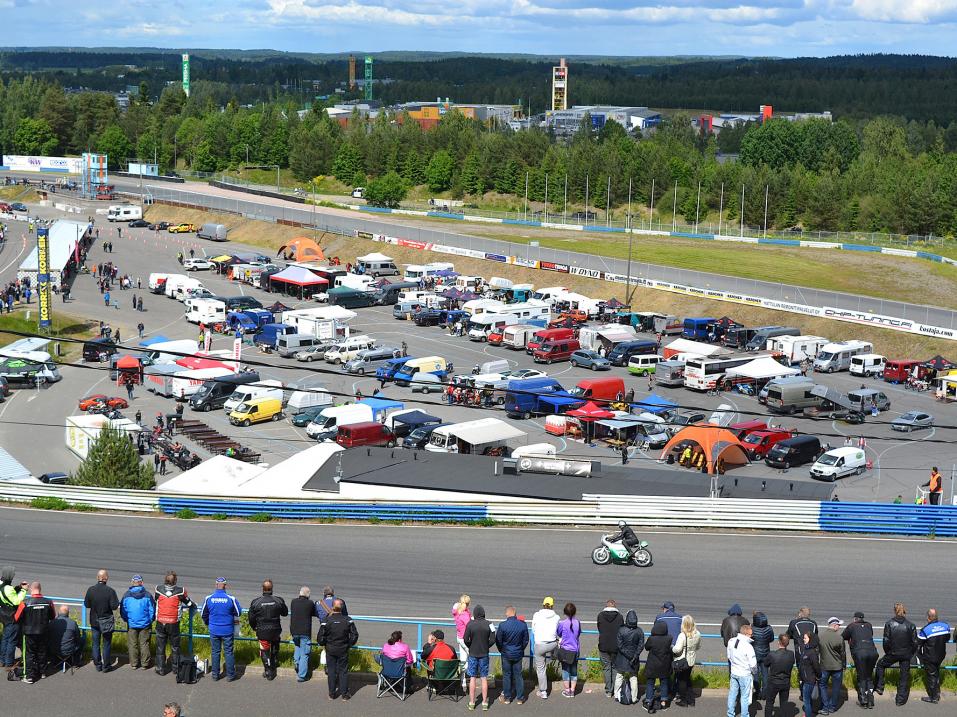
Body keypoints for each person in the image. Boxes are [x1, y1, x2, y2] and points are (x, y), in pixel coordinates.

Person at [874, 602, 917, 706]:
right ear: (904, 611)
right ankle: (900, 700)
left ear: (895, 611)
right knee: (904, 676)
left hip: (893, 653)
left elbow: (886, 641)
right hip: (906, 654)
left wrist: (888, 652)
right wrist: (910, 653)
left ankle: (879, 687)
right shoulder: (910, 625)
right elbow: (915, 642)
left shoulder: (889, 623)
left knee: (880, 664)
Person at [201, 577, 242, 682]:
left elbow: (203, 614)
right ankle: (230, 676)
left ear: (216, 585)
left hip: (214, 629)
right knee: (228, 652)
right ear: (225, 586)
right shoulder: (230, 599)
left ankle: (215, 675)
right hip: (227, 630)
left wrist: (208, 623)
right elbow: (238, 612)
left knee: (215, 652)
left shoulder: (209, 598)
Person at [154, 571, 194, 676]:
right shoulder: (181, 591)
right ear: (175, 580)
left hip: (160, 621)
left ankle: (160, 669)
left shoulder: (158, 589)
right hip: (173, 623)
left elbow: (156, 601)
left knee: (160, 647)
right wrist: (193, 606)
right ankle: (176, 669)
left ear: (165, 580)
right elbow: (189, 603)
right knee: (175, 647)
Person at [14, 582, 55, 684]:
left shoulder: (25, 602)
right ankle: (43, 672)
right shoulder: (48, 602)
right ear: (40, 589)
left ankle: (29, 676)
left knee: (29, 654)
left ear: (31, 589)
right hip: (43, 631)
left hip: (29, 632)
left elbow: (16, 618)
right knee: (42, 652)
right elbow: (53, 616)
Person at [317, 599, 358, 700]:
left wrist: (325, 644)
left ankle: (332, 693)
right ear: (342, 607)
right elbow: (354, 635)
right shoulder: (347, 619)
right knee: (343, 671)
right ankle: (344, 694)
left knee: (331, 671)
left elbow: (320, 638)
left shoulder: (326, 620)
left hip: (330, 649)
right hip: (343, 649)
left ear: (332, 607)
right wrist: (348, 644)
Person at [248, 579, 288, 680]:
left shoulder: (256, 602)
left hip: (262, 631)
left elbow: (251, 618)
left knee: (264, 650)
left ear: (263, 588)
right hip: (275, 630)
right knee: (274, 646)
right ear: (272, 589)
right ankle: (273, 665)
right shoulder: (278, 600)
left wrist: (254, 627)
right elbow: (285, 613)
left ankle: (268, 671)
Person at [84, 569, 119, 673]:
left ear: (97, 578)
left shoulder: (91, 590)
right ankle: (106, 666)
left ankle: (98, 665)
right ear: (106, 578)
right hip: (106, 621)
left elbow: (87, 604)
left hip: (94, 621)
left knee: (95, 643)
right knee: (106, 643)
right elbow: (114, 606)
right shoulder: (110, 591)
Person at [843, 611, 879, 709]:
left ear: (855, 618)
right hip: (873, 652)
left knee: (862, 676)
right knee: (869, 676)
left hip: (860, 653)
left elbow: (844, 636)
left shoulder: (852, 626)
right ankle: (871, 700)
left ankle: (863, 699)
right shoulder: (869, 625)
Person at [495, 605, 529, 705]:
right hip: (518, 653)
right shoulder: (522, 625)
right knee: (518, 675)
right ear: (515, 613)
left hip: (506, 653)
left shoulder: (502, 625)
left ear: (507, 613)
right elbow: (526, 640)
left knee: (506, 675)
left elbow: (498, 640)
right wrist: (521, 649)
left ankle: (507, 698)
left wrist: (502, 650)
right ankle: (520, 698)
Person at [120, 574, 155, 670]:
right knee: (144, 643)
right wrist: (150, 620)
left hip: (131, 623)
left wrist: (127, 619)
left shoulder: (126, 595)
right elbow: (152, 610)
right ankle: (145, 664)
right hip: (145, 624)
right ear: (142, 583)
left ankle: (134, 663)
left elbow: (123, 610)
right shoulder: (148, 595)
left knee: (132, 644)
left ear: (132, 583)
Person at [463, 604, 494, 710]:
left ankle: (472, 703)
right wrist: (487, 645)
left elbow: (465, 639)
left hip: (473, 654)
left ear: (475, 614)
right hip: (484, 654)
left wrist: (470, 646)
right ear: (484, 614)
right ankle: (485, 703)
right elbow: (493, 640)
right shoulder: (489, 624)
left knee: (472, 677)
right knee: (484, 678)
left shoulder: (470, 624)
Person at [917, 608, 950, 704]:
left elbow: (918, 643)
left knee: (931, 675)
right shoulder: (945, 626)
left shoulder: (925, 629)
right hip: (941, 655)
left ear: (928, 618)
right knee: (936, 672)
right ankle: (937, 690)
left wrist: (920, 657)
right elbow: (947, 638)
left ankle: (934, 697)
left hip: (930, 656)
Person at [532, 596, 560, 699]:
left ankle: (543, 691)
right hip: (552, 644)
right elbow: (558, 631)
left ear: (543, 604)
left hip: (540, 644)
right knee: (556, 644)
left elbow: (534, 630)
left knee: (541, 668)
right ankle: (554, 656)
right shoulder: (557, 617)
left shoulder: (536, 615)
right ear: (552, 606)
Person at [613, 609, 644, 703]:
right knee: (633, 677)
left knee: (619, 676)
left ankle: (617, 695)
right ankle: (634, 698)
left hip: (622, 658)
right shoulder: (639, 631)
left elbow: (619, 645)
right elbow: (641, 646)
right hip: (634, 659)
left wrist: (628, 655)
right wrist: (634, 656)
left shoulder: (621, 630)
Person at [0, 565, 26, 672]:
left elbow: (7, 594)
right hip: (12, 617)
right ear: (9, 575)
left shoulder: (2, 584)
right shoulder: (8, 588)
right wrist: (23, 590)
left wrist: (18, 587)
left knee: (5, 638)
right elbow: (16, 601)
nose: (14, 574)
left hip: (4, 615)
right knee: (12, 640)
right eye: (13, 573)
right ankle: (9, 664)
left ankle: (2, 660)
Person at [727, 624, 757, 717]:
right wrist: (754, 672)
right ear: (746, 634)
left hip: (734, 672)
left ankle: (730, 713)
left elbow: (729, 656)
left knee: (732, 694)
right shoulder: (748, 646)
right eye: (751, 634)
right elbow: (753, 664)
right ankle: (744, 715)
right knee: (745, 697)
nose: (752, 636)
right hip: (745, 674)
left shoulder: (731, 641)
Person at [597, 599, 624, 698]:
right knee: (615, 668)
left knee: (606, 668)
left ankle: (608, 690)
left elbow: (599, 628)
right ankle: (616, 691)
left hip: (603, 645)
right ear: (614, 606)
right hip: (616, 646)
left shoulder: (600, 615)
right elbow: (621, 630)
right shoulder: (620, 617)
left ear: (606, 605)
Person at [644, 620, 674, 711]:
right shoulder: (669, 638)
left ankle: (649, 701)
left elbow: (646, 647)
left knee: (650, 683)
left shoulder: (652, 639)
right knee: (664, 683)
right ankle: (664, 702)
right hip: (664, 665)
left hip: (652, 665)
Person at [672, 614, 701, 707]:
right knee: (687, 679)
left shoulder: (682, 635)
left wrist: (671, 648)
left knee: (682, 681)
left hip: (682, 661)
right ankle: (691, 699)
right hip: (691, 659)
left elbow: (677, 649)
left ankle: (684, 700)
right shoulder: (697, 633)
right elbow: (698, 646)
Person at [818, 617, 846, 715]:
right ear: (834, 625)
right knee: (836, 687)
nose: (839, 627)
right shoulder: (839, 637)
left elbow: (817, 651)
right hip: (837, 667)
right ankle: (832, 707)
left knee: (822, 685)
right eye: (839, 625)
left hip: (824, 666)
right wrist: (844, 665)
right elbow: (843, 653)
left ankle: (825, 707)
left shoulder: (820, 636)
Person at [289, 586, 317, 682]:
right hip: (305, 631)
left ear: (300, 593)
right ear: (308, 595)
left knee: (297, 647)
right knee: (305, 653)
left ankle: (297, 663)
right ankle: (301, 675)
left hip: (294, 630)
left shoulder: (293, 602)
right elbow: (314, 612)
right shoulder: (310, 603)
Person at [764, 634, 795, 717]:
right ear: (787, 643)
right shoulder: (791, 654)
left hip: (773, 682)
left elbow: (766, 664)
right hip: (785, 681)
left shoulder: (772, 654)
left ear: (779, 642)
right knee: (784, 703)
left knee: (769, 702)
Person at [787, 606, 818, 690]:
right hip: (812, 651)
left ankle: (804, 693)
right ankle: (810, 692)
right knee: (811, 670)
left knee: (802, 672)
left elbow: (788, 635)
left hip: (800, 651)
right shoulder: (813, 623)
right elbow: (815, 636)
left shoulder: (794, 622)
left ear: (800, 613)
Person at [556, 602, 582, 698]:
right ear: (575, 612)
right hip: (575, 650)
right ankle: (573, 690)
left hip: (565, 650)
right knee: (574, 671)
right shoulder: (577, 623)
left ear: (565, 612)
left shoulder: (562, 623)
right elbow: (578, 634)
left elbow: (559, 633)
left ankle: (567, 690)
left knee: (565, 670)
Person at [797, 632, 821, 717]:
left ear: (811, 640)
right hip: (806, 679)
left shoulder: (812, 652)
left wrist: (818, 676)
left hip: (809, 680)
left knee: (806, 700)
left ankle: (808, 715)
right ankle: (808, 713)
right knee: (808, 699)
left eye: (805, 638)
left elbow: (816, 667)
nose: (804, 639)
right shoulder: (806, 650)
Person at [751, 611, 774, 699]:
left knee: (755, 674)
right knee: (765, 674)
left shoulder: (752, 628)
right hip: (766, 653)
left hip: (755, 653)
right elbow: (771, 639)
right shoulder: (769, 628)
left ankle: (757, 692)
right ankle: (765, 693)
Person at [452, 594, 472, 686]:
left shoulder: (457, 611)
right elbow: (469, 626)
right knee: (472, 656)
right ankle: (471, 676)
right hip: (465, 639)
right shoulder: (464, 614)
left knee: (463, 658)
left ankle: (462, 680)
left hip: (459, 637)